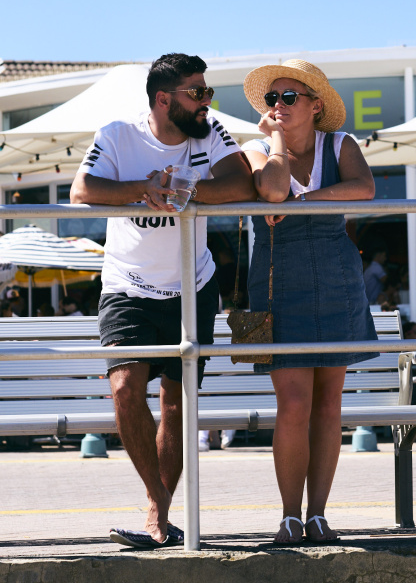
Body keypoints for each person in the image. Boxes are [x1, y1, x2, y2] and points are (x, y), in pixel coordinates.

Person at [70, 52, 255, 549]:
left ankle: (158, 517)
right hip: (127, 287)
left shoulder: (210, 133)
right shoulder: (117, 135)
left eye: (207, 91)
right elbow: (82, 190)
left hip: (193, 287)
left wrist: (185, 190)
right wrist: (143, 189)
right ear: (163, 99)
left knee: (176, 403)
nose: (206, 101)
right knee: (125, 390)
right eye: (196, 93)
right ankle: (159, 501)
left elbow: (242, 183)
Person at [240, 59, 377, 545]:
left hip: (337, 277)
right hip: (275, 282)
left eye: (288, 97)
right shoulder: (254, 149)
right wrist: (276, 138)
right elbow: (274, 189)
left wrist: (306, 201)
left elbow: (365, 188)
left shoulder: (340, 144)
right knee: (294, 404)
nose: (278, 105)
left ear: (316, 106)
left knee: (329, 405)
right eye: (271, 99)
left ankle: (317, 515)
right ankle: (289, 516)